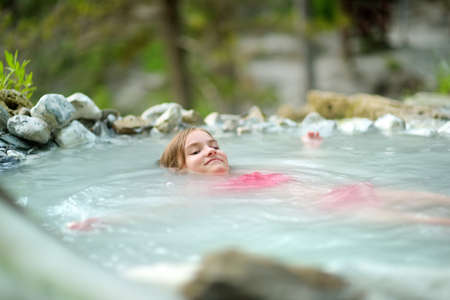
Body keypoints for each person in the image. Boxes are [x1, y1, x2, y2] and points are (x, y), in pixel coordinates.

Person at [67, 127, 450, 230]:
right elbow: (161, 211)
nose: (211, 151)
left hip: (341, 191)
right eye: (196, 151)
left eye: (214, 144)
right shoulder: (205, 193)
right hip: (326, 208)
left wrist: (310, 148)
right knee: (427, 221)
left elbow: (294, 169)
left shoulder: (248, 174)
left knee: (428, 198)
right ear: (179, 169)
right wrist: (108, 220)